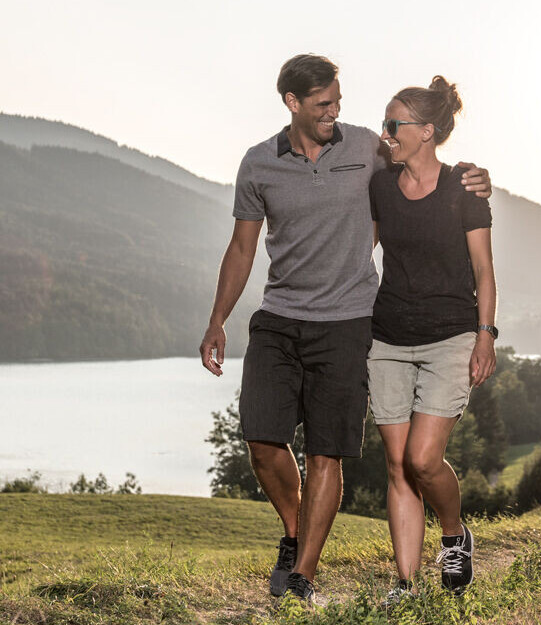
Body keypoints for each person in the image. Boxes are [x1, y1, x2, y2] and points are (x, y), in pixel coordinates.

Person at [199, 55, 490, 605]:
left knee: (327, 453)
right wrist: (217, 320)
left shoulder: (364, 147)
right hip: (279, 316)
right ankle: (295, 532)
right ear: (292, 103)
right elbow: (241, 248)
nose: (335, 111)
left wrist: (478, 177)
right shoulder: (258, 163)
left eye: (338, 100)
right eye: (323, 103)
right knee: (262, 440)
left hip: (349, 321)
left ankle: (303, 576)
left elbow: (426, 162)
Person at [368, 76, 496, 606]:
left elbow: (484, 271)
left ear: (425, 131)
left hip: (450, 337)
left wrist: (485, 335)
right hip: (387, 338)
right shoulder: (379, 186)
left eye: (393, 124)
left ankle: (453, 533)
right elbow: (361, 251)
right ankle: (406, 584)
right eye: (384, 123)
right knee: (397, 465)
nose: (385, 133)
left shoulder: (464, 188)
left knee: (423, 460)